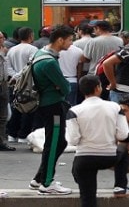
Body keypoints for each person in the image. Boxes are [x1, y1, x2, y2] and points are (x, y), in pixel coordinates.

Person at [66, 75, 129, 206]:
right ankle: (120, 187)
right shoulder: (115, 107)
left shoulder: (73, 111)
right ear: (98, 88)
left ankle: (86, 185)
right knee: (123, 151)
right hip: (109, 156)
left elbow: (73, 140)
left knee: (87, 199)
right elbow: (123, 135)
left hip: (84, 159)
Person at [29, 25, 73, 195]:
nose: (71, 43)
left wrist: (59, 85)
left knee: (59, 142)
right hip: (52, 106)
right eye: (70, 40)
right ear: (60, 40)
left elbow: (60, 85)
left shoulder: (40, 53)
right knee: (54, 143)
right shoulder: (49, 62)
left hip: (47, 104)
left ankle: (39, 178)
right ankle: (47, 183)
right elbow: (66, 87)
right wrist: (61, 86)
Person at [6, 27, 38, 142]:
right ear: (30, 36)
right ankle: (23, 135)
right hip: (28, 84)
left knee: (16, 108)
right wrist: (20, 76)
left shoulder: (12, 50)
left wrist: (15, 76)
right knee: (28, 109)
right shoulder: (33, 49)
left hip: (15, 84)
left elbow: (7, 66)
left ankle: (11, 133)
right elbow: (30, 65)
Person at [81, 20, 123, 99]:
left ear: (98, 28)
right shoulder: (119, 41)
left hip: (96, 75)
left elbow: (86, 58)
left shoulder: (93, 41)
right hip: (113, 75)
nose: (93, 31)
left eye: (94, 28)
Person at [0, 31, 15, 151]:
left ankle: (1, 141)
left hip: (4, 84)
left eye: (2, 37)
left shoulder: (5, 51)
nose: (2, 39)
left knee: (3, 116)